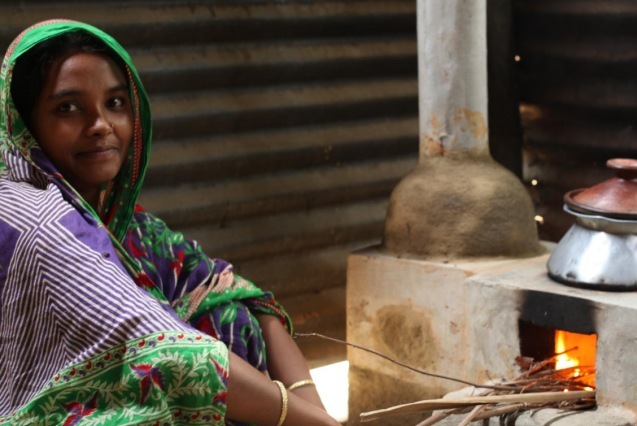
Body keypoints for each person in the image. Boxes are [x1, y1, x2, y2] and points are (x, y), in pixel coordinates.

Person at [0, 19, 340, 426]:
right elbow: (163, 350)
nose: (101, 125)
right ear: (23, 123)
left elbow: (236, 294)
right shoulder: (34, 218)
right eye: (68, 108)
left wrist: (314, 408)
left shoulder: (124, 222)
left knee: (229, 316)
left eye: (115, 103)